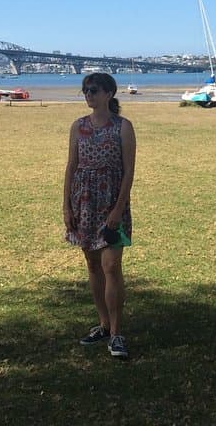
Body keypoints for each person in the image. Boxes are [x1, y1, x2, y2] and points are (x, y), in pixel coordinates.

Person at [63, 72, 136, 359]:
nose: (88, 95)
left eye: (93, 90)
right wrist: (67, 207)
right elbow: (71, 166)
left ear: (108, 94)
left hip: (111, 202)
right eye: (85, 90)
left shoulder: (123, 127)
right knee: (93, 265)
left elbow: (129, 171)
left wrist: (118, 209)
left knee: (111, 265)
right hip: (84, 203)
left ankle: (117, 333)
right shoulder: (78, 127)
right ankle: (103, 325)